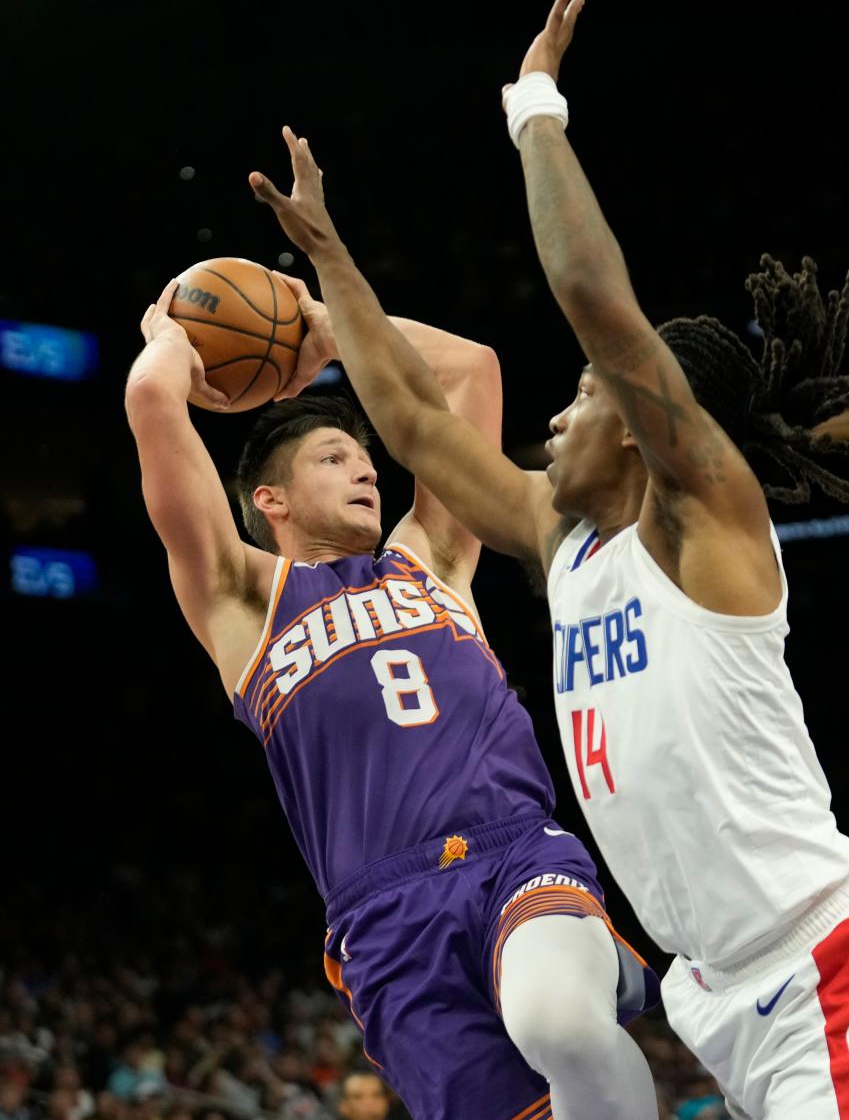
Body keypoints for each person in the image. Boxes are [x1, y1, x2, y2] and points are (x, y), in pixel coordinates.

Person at [246, 0, 849, 1118]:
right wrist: (329, 267)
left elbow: (593, 298)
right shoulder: (566, 547)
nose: (556, 423)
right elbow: (418, 425)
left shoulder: (707, 526)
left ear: (638, 422)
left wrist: (534, 110)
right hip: (710, 991)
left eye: (579, 399)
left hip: (820, 965)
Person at [125, 213, 659, 1119]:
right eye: (337, 457)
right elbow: (151, 402)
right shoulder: (240, 602)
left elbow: (469, 371)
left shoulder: (432, 556)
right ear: (272, 500)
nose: (367, 471)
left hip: (511, 851)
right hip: (385, 923)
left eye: (368, 457)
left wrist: (326, 334)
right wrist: (173, 338)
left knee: (561, 1023)